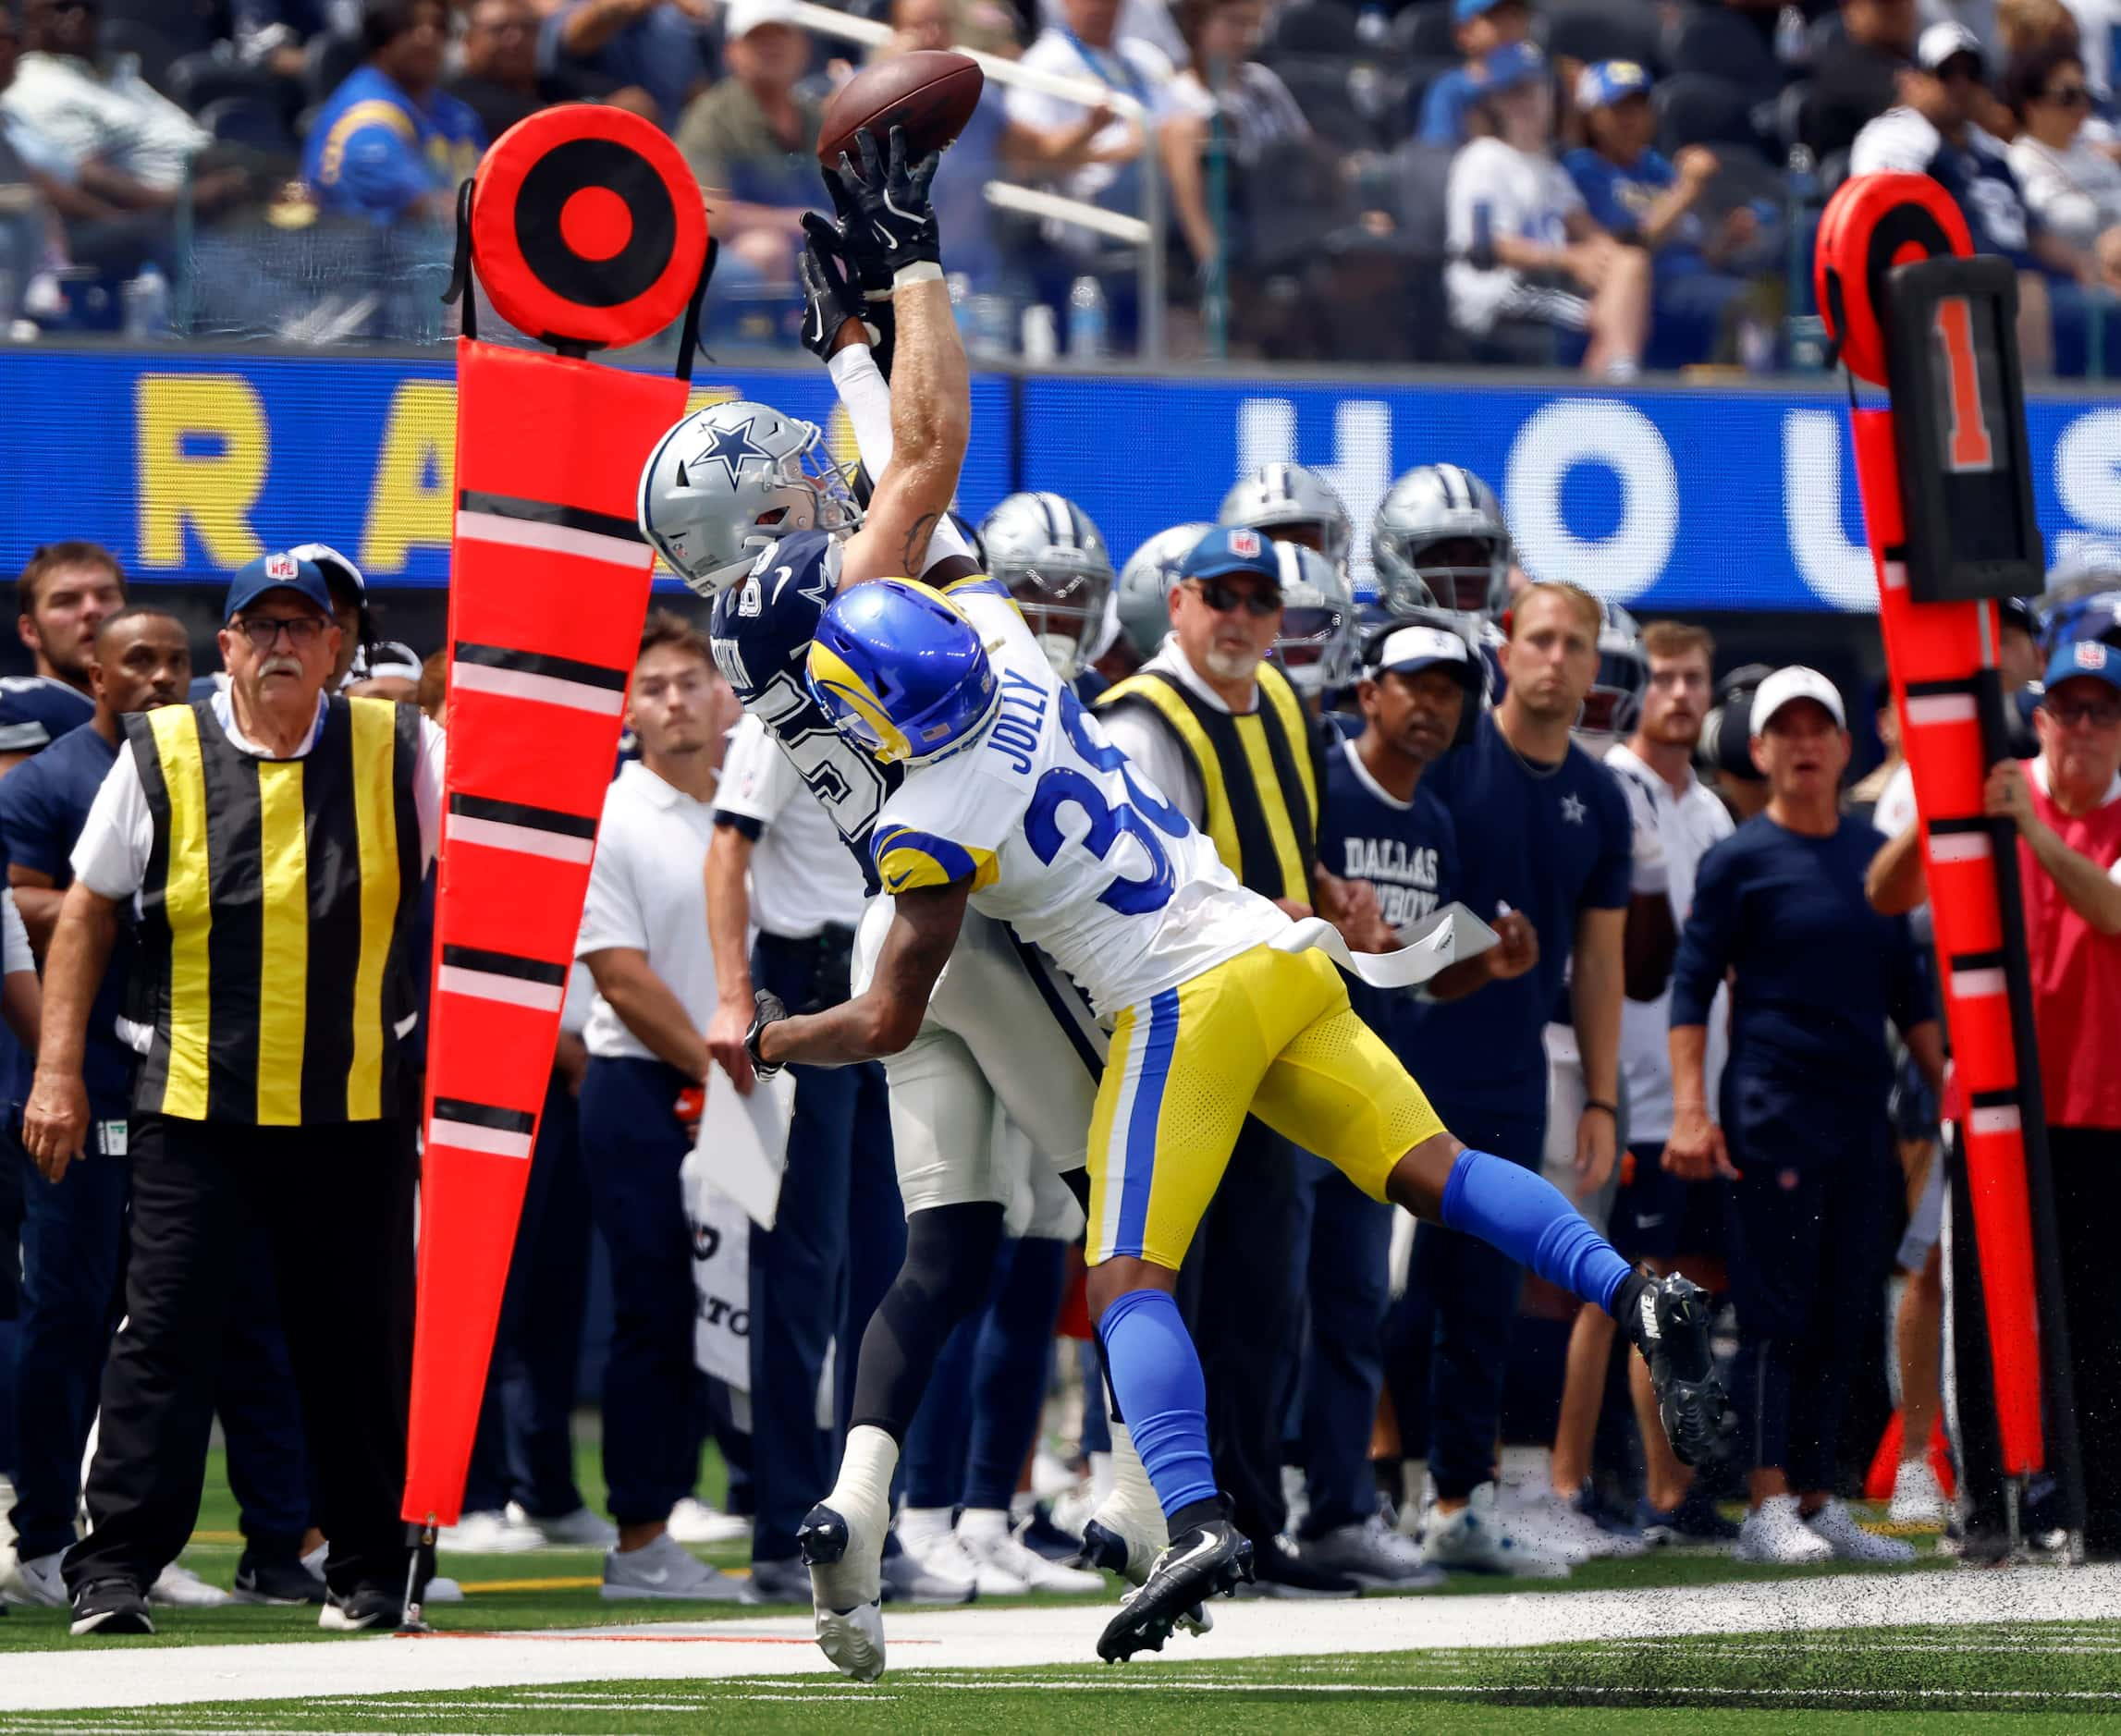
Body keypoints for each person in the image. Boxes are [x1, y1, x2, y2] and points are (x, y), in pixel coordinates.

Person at [763, 563, 1731, 1663]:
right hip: (1276, 948)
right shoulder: (1004, 637)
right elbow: (935, 514)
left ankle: (1190, 1518)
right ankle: (1636, 1294)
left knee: (1125, 1276)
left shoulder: (925, 813)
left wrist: (776, 1036)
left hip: (1180, 997)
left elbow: (891, 1020)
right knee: (1441, 1168)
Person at [640, 135, 1125, 1680]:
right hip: (990, 906)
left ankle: (854, 1511)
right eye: (777, 481)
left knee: (943, 1248)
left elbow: (884, 471)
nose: (805, 474)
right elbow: (923, 460)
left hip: (895, 925)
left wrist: (850, 356)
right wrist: (906, 267)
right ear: (756, 521)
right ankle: (1155, 1490)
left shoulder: (755, 628)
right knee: (1133, 1187)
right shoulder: (827, 594)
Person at [25, 551, 444, 1636]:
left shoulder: (403, 746)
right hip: (195, 1101)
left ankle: (364, 1569)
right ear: (227, 650)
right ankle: (112, 1569)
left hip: (353, 1102)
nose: (280, 648)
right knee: (162, 1335)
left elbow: (479, 898)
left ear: (336, 647)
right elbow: (86, 912)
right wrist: (60, 1072)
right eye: (260, 630)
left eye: (302, 628)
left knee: (357, 1340)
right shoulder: (162, 752)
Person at [1, 606, 325, 1612]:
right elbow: (28, 908)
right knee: (76, 1311)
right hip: (96, 1071)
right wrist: (144, 892)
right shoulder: (56, 778)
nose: (159, 677)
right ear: (93, 675)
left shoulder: (214, 758)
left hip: (207, 1080)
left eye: (175, 661)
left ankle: (261, 1540)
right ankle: (51, 1534)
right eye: (137, 661)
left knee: (231, 1315)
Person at [1093, 529, 1363, 1599]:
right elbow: (1146, 890)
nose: (1243, 618)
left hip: (1271, 1032)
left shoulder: (1285, 702)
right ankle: (1161, 1517)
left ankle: (1249, 1522)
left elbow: (1291, 846)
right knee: (1174, 1290)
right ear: (1176, 600)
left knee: (1262, 1296)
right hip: (1182, 1033)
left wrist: (1331, 895)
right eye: (1223, 597)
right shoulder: (1143, 721)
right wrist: (1276, 913)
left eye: (1261, 599)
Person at [1666, 666, 1942, 1568]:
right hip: (1767, 1116)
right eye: (1781, 731)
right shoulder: (1737, 859)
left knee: (1843, 1312)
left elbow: (1910, 997)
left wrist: (1957, 1093)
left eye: (1814, 728)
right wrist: (1689, 1112)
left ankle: (1819, 1501)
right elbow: (1689, 989)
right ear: (1758, 750)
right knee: (1775, 1316)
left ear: (1840, 745)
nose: (1800, 745)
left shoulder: (1870, 854)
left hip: (1858, 1120)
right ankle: (1765, 1505)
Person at [1392, 581, 1631, 1574]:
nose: (1554, 658)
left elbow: (1601, 961)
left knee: (1483, 1296)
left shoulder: (1600, 799)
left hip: (1509, 1071)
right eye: (1539, 638)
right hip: (1402, 1059)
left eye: (1574, 644)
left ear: (1591, 665)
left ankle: (1458, 1498)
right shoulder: (1445, 759)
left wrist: (1606, 1098)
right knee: (1375, 1290)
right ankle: (1342, 1493)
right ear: (1503, 644)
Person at [1303, 616, 1518, 1590]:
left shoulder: (1431, 823)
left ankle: (1342, 1509)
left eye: (1449, 688)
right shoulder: (1321, 782)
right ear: (1368, 691)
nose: (1432, 703)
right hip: (1278, 1073)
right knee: (1260, 1307)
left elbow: (1409, 977)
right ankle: (1244, 1499)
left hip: (1364, 1093)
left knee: (1354, 1307)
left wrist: (1484, 962)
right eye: (1414, 683)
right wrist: (1324, 906)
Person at [571, 612, 750, 1603]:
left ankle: (774, 1510)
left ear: (723, 694)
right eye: (654, 687)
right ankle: (641, 1539)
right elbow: (621, 980)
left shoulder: (751, 804)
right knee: (657, 1312)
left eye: (690, 681)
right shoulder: (613, 816)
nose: (675, 701)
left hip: (744, 1081)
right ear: (627, 707)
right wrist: (725, 1064)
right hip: (642, 1089)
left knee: (758, 1313)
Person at [1980, 636, 2121, 1557]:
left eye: (2097, 712)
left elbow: (2110, 914)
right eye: (2062, 709)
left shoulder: (2041, 811)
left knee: (2099, 1311)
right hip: (1999, 1097)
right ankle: (2001, 1503)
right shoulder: (1991, 790)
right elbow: (1889, 894)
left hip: (2102, 1101)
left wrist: (2027, 829)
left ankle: (2101, 1505)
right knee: (1996, 1306)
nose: (2077, 728)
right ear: (2035, 718)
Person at [1600, 620, 1738, 1547]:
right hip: (1632, 1090)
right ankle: (1647, 1489)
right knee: (1642, 1299)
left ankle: (1676, 1487)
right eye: (1662, 678)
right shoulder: (1613, 787)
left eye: (1693, 678)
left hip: (1706, 1095)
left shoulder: (1713, 812)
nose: (1680, 694)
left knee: (1695, 1298)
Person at [1851, 22, 2098, 375]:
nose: (1960, 85)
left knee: (2095, 299)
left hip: (2015, 275)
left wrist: (2085, 266)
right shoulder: (1896, 137)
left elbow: (2033, 232)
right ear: (1916, 79)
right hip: (1948, 282)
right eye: (1946, 73)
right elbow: (1883, 222)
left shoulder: (1992, 152)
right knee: (2027, 293)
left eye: (1972, 74)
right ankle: (2034, 406)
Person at [1444, 43, 1650, 377]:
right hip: (1495, 295)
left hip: (1544, 284)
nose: (1524, 104)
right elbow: (1489, 246)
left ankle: (1615, 379)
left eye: (1532, 91)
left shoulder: (1549, 168)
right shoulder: (1483, 158)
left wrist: (1614, 264)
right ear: (1493, 102)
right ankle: (1613, 387)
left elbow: (1588, 230)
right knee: (1605, 316)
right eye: (1512, 93)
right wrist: (1572, 259)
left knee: (1629, 266)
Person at [1008, 0, 1180, 351]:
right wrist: (1117, 147)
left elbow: (1178, 129)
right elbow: (1026, 159)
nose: (1102, 8)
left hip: (1154, 197)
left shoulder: (1142, 59)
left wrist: (1145, 146)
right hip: (1088, 207)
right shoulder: (1045, 63)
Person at [1563, 61, 1759, 370]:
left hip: (1689, 282)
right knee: (1746, 300)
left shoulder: (1657, 168)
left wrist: (1727, 241)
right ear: (1592, 117)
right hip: (1642, 289)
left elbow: (1693, 249)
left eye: (1639, 108)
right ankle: (1755, 403)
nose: (1630, 119)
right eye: (1618, 109)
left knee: (1765, 292)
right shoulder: (1584, 169)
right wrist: (1685, 191)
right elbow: (1626, 245)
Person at [1159, 0, 1313, 290]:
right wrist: (1215, 271)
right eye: (1234, 23)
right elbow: (1188, 200)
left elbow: (1307, 154)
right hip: (1235, 239)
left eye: (1253, 26)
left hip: (1290, 224)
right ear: (1198, 23)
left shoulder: (1265, 83)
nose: (1245, 36)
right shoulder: (1177, 98)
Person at [675, 0, 822, 293]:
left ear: (803, 47)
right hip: (732, 253)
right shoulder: (712, 116)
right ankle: (769, 337)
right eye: (757, 37)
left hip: (808, 247)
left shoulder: (815, 115)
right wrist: (794, 222)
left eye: (780, 34)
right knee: (766, 250)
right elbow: (703, 211)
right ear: (732, 52)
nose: (771, 46)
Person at [301, 0, 484, 226]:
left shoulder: (459, 115)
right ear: (381, 36)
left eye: (439, 26)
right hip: (378, 256)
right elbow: (425, 209)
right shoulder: (365, 121)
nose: (427, 36)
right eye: (408, 26)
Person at [448, 0, 652, 144]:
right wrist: (605, 113)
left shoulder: (550, 80)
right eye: (500, 29)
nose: (516, 38)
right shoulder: (458, 97)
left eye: (528, 28)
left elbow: (640, 104)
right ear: (468, 41)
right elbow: (539, 128)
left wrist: (584, 114)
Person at [1, 540, 124, 776]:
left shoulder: (161, 714)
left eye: (106, 596)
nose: (91, 610)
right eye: (66, 600)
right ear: (30, 630)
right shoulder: (17, 705)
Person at [2007, 42, 2121, 273]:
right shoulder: (2018, 165)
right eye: (2068, 96)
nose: (2081, 105)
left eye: (2083, 94)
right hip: (2076, 282)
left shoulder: (2094, 154)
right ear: (2032, 105)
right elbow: (2041, 236)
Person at [539, 0, 710, 130]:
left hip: (668, 150)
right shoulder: (573, 12)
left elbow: (695, 90)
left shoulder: (674, 23)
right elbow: (575, 39)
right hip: (605, 151)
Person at [1417, 0, 1534, 146]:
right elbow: (1438, 154)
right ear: (1464, 33)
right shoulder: (1450, 90)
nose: (1510, 24)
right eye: (1495, 18)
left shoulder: (1539, 78)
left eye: (1517, 15)